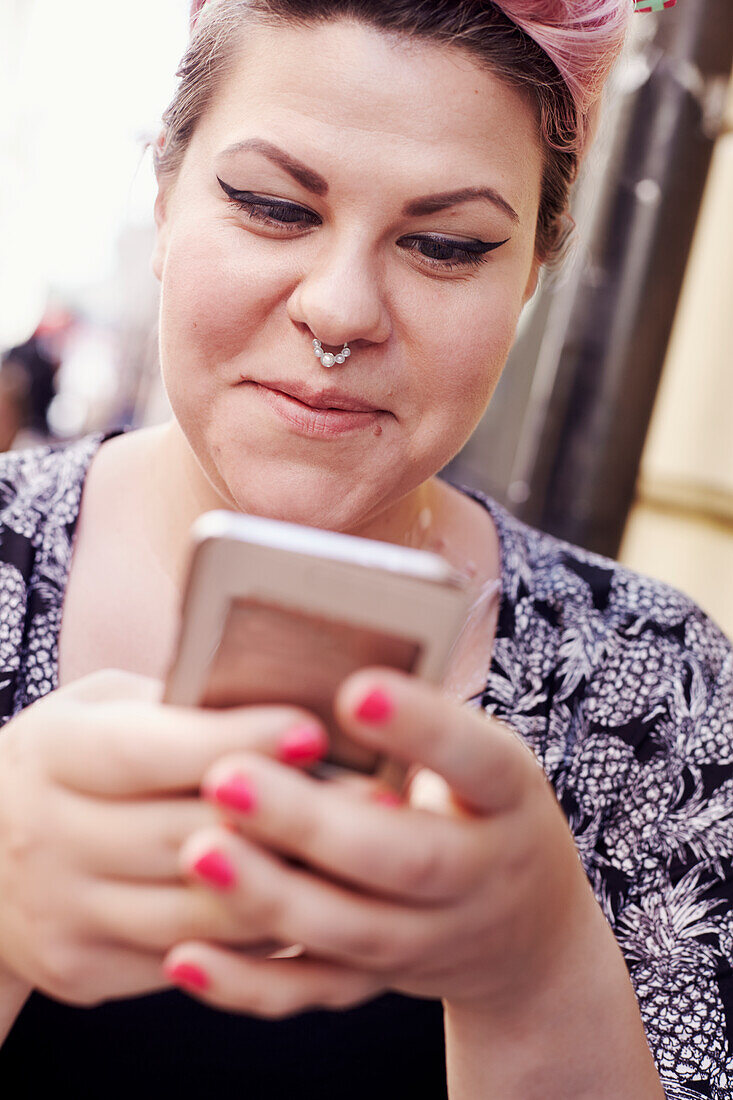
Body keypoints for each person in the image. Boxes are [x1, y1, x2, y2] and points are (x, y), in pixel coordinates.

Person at [0, 1, 729, 1096]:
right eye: (272, 205)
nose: (339, 310)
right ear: (164, 193)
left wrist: (535, 970)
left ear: (534, 265)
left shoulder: (660, 682)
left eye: (445, 245)